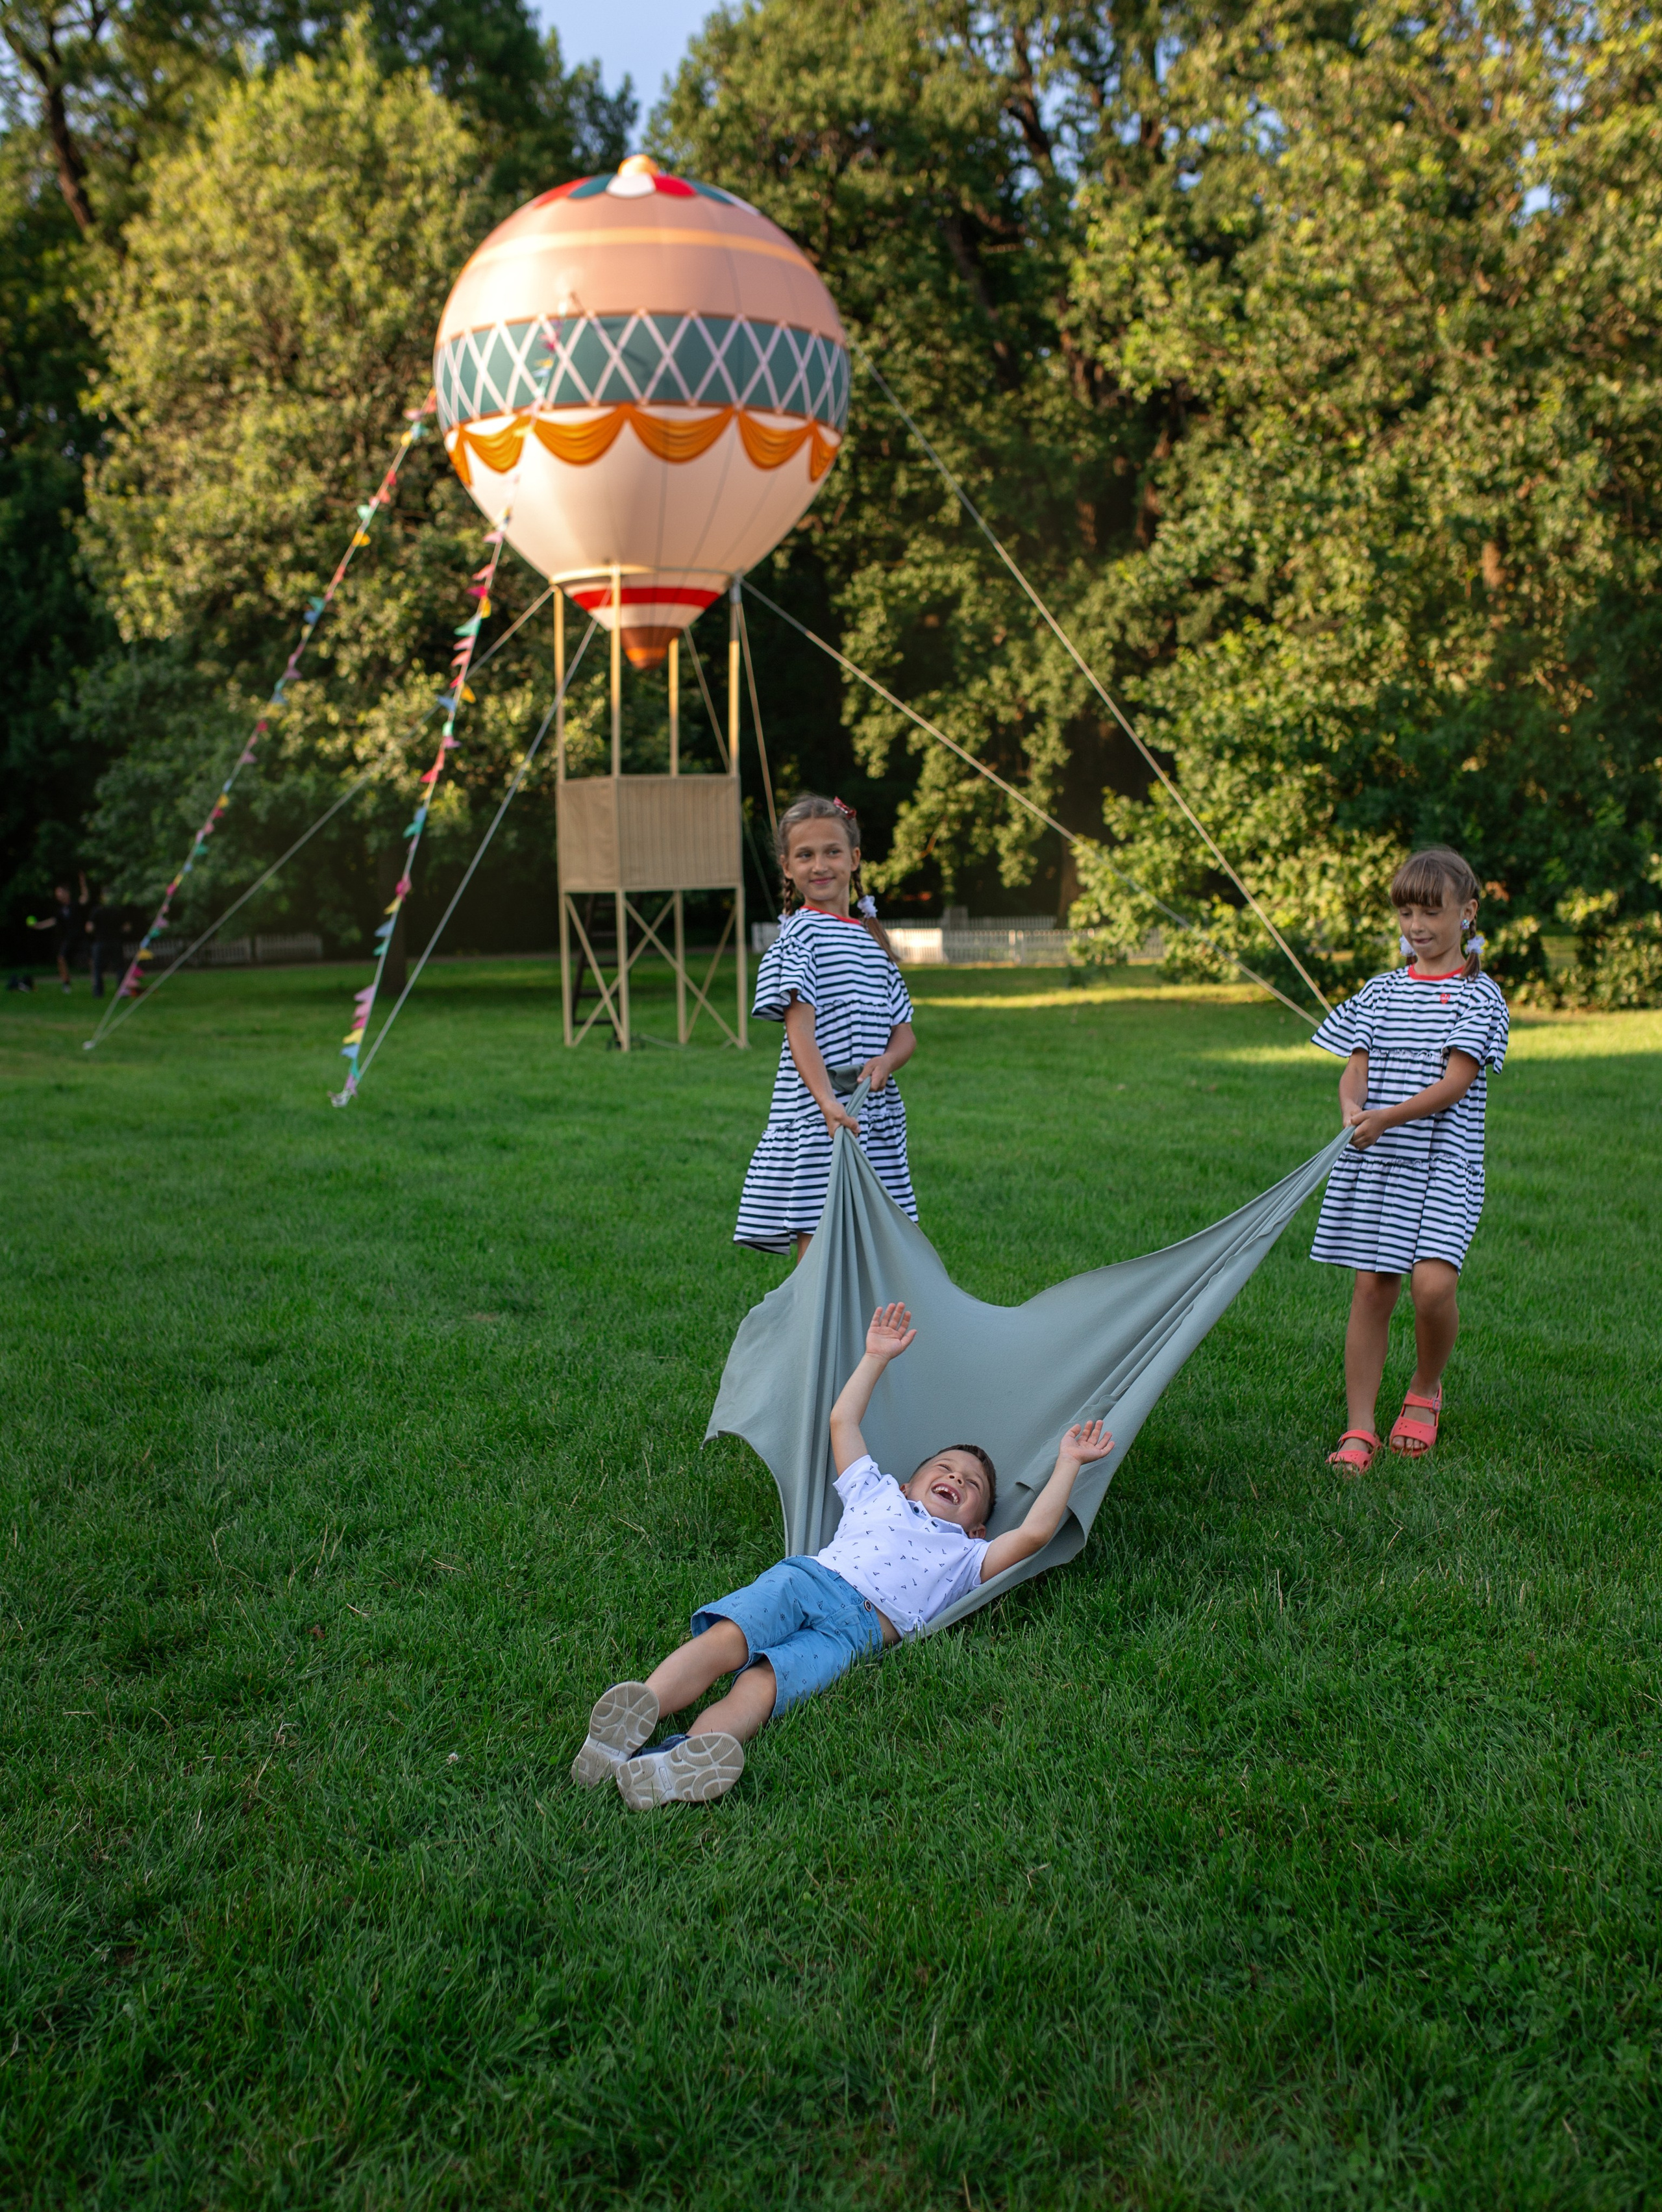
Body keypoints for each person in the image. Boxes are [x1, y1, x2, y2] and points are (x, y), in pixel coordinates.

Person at [571, 1301, 1113, 1806]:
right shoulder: (875, 1492)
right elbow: (842, 1423)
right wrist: (876, 1357)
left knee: (763, 1687)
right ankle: (633, 1717)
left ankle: (674, 1761)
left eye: (971, 1484)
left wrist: (1068, 1461)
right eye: (944, 1468)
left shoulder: (969, 1558)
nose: (955, 1477)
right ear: (906, 1484)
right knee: (728, 1640)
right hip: (810, 1581)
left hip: (854, 1636)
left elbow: (1036, 1534)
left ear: (978, 1527)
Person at [1311, 847, 1509, 1473]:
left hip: (1445, 1166)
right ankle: (1360, 1425)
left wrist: (1386, 1116)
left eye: (1432, 910)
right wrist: (1352, 1110)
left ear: (1467, 912)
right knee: (1372, 1288)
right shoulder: (1379, 992)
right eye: (1406, 911)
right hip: (1381, 1165)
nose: (1417, 925)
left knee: (1432, 1285)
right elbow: (1355, 1073)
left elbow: (1455, 1083)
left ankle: (1425, 1386)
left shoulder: (1482, 996)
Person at [734, 794, 917, 1260]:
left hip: (871, 1110)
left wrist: (888, 1059)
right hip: (822, 1114)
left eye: (832, 851)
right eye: (805, 854)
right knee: (821, 1239)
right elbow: (801, 1031)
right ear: (787, 867)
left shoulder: (873, 939)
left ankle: (865, 1333)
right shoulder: (801, 935)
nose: (821, 864)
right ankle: (815, 1332)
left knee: (876, 1242)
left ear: (854, 859)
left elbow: (905, 1029)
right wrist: (826, 1103)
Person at [26, 875, 88, 992]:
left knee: (91, 960)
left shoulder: (75, 905)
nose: (58, 896)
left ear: (66, 893)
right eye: (57, 894)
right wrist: (38, 926)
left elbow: (85, 898)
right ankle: (66, 982)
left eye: (59, 893)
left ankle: (96, 983)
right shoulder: (60, 910)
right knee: (61, 958)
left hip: (81, 936)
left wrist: (83, 884)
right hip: (69, 938)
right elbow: (53, 921)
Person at [86, 888, 127, 999]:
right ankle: (122, 990)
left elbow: (89, 928)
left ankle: (98, 992)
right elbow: (126, 928)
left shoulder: (97, 910)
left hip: (100, 943)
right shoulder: (117, 910)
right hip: (115, 942)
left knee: (98, 969)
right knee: (119, 968)